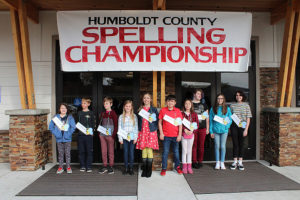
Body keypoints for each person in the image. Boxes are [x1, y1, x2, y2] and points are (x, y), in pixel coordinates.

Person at [159, 95, 183, 176]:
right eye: (169, 101)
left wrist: (179, 135)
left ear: (175, 103)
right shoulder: (163, 110)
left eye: (172, 101)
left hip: (176, 136)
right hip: (166, 136)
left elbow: (180, 124)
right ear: (166, 102)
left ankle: (177, 167)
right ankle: (164, 168)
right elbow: (160, 123)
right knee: (165, 152)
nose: (170, 103)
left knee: (176, 152)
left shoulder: (178, 111)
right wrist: (161, 133)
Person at [136, 93, 159, 178]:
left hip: (151, 131)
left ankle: (149, 170)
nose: (146, 99)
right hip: (142, 132)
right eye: (144, 98)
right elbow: (138, 121)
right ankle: (144, 169)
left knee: (149, 150)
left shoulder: (154, 110)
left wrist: (154, 129)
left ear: (151, 99)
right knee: (143, 150)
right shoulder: (140, 109)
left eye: (148, 98)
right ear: (143, 100)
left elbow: (157, 121)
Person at [49, 103, 76, 174]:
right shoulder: (56, 117)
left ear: (67, 109)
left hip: (67, 139)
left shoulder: (70, 117)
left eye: (65, 108)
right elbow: (51, 127)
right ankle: (60, 167)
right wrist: (57, 134)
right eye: (62, 108)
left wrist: (68, 134)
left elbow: (73, 127)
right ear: (59, 109)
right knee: (60, 153)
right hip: (59, 138)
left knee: (67, 153)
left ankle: (68, 167)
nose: (63, 109)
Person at [229, 91, 252, 170]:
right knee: (235, 144)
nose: (238, 97)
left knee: (241, 144)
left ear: (243, 96)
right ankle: (235, 162)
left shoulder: (246, 106)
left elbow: (248, 118)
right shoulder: (232, 106)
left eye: (240, 95)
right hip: (234, 126)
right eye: (237, 95)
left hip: (243, 126)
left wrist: (246, 129)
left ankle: (240, 162)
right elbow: (230, 117)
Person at [209, 94, 232, 170]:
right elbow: (211, 121)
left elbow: (230, 120)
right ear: (216, 100)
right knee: (217, 146)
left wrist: (226, 127)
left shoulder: (227, 109)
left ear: (223, 100)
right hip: (215, 131)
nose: (220, 100)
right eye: (218, 98)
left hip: (224, 131)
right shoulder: (213, 109)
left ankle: (222, 162)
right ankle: (217, 162)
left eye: (221, 98)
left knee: (222, 146)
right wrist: (211, 131)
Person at [98, 97, 118, 174]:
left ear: (111, 104)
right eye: (104, 103)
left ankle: (111, 166)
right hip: (102, 135)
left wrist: (113, 135)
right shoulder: (103, 113)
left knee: (111, 151)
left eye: (107, 103)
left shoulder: (113, 113)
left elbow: (116, 126)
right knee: (104, 151)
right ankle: (105, 165)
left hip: (110, 136)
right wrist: (100, 134)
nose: (105, 105)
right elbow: (99, 123)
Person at [118, 100, 138, 175]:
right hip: (124, 138)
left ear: (131, 107)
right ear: (124, 107)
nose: (128, 107)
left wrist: (136, 137)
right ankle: (126, 168)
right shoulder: (121, 116)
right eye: (126, 106)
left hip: (132, 138)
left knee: (131, 153)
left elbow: (136, 127)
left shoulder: (134, 116)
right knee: (125, 153)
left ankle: (131, 168)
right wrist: (120, 138)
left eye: (129, 106)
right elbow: (119, 128)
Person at [192, 89, 209, 169]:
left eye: (201, 94)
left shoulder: (204, 105)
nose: (199, 95)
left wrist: (207, 128)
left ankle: (200, 161)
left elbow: (207, 118)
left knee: (201, 146)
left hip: (202, 128)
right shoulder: (190, 104)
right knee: (194, 145)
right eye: (198, 94)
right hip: (193, 128)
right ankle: (194, 161)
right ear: (194, 94)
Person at [77, 98, 95, 172]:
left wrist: (92, 132)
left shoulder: (91, 113)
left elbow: (93, 123)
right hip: (81, 135)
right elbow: (77, 123)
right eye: (82, 103)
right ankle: (82, 166)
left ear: (88, 104)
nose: (83, 105)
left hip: (88, 135)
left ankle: (89, 166)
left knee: (89, 151)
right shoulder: (79, 113)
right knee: (81, 151)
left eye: (84, 103)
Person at [181, 99, 199, 174]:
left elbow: (197, 124)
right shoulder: (181, 114)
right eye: (186, 103)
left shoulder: (194, 114)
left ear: (191, 105)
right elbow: (179, 123)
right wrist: (184, 129)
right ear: (184, 105)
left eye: (189, 104)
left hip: (191, 134)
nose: (187, 105)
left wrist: (192, 131)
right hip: (183, 134)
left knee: (189, 150)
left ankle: (189, 166)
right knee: (184, 150)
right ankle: (184, 166)